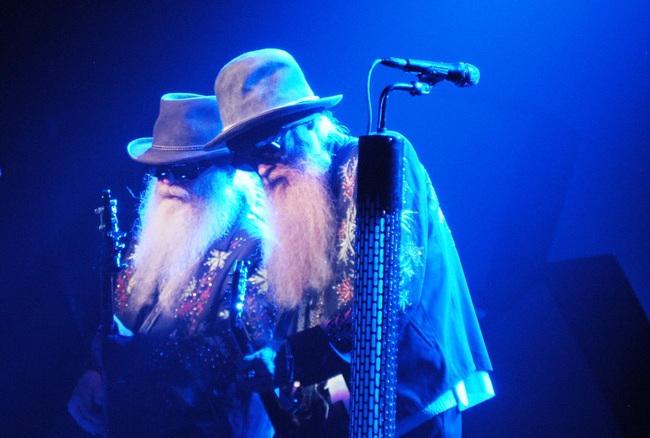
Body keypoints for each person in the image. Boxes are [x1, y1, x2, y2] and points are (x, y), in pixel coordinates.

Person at [206, 49, 494, 437]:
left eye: (269, 148)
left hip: (408, 400)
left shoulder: (376, 163)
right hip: (344, 415)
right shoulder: (296, 198)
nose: (260, 168)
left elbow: (392, 292)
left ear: (308, 125)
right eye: (246, 158)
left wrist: (289, 357)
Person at [68, 93, 277, 437]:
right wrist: (95, 371)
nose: (167, 182)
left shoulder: (254, 248)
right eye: (159, 169)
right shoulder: (150, 236)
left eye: (185, 169)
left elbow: (239, 357)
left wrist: (132, 375)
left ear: (226, 171)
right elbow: (118, 318)